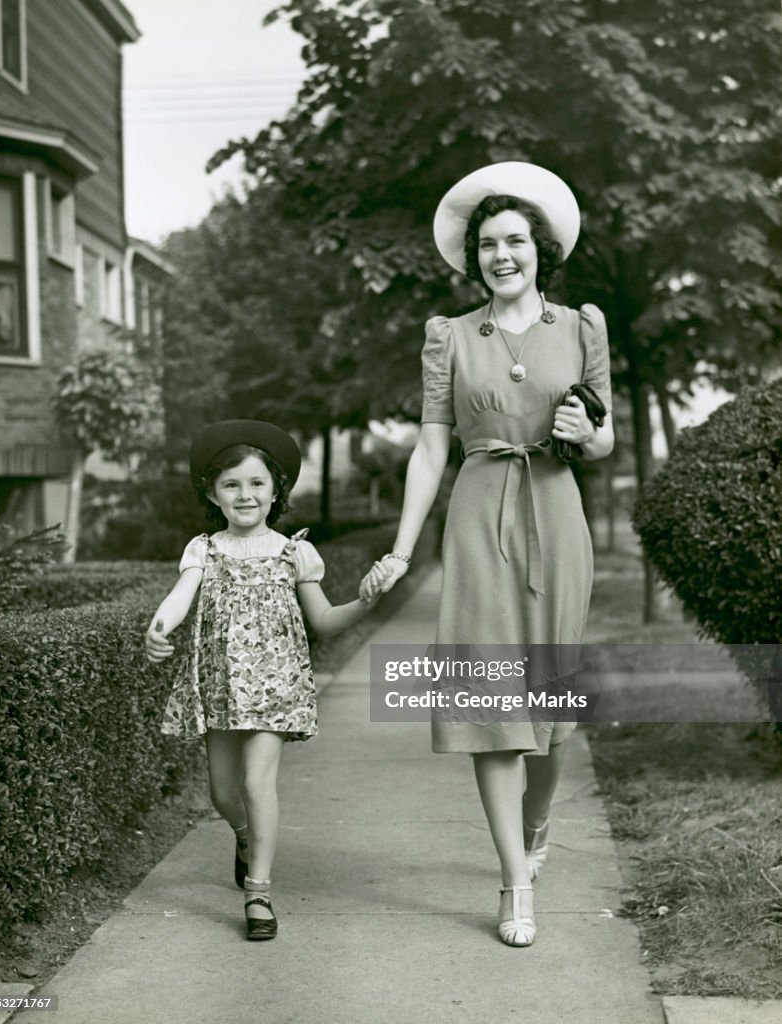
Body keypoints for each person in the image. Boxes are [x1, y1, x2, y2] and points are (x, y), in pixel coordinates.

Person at [361, 162, 614, 947]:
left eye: (515, 241)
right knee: (490, 703)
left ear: (540, 249)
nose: (502, 255)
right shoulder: (449, 337)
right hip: (477, 521)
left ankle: (538, 823)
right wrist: (403, 551)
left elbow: (606, 436)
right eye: (488, 245)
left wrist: (588, 437)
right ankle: (513, 883)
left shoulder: (582, 328)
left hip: (556, 517)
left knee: (550, 713)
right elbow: (432, 448)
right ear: (473, 258)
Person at [146, 420, 388, 941]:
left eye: (256, 483)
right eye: (231, 484)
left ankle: (259, 894)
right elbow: (180, 597)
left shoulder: (294, 553)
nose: (245, 494)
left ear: (276, 490)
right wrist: (158, 627)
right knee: (222, 793)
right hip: (218, 687)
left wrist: (366, 602)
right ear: (213, 493)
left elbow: (322, 620)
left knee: (258, 785)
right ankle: (242, 836)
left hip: (274, 690)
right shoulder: (204, 550)